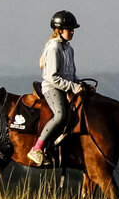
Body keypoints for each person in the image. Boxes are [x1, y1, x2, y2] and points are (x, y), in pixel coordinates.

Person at [29, 10, 83, 167]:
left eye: (73, 30)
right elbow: (52, 77)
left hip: (64, 87)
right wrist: (73, 86)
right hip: (52, 88)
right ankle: (36, 149)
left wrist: (81, 85)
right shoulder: (54, 48)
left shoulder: (69, 49)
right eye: (69, 29)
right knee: (60, 115)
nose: (72, 33)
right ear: (60, 30)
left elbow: (71, 75)